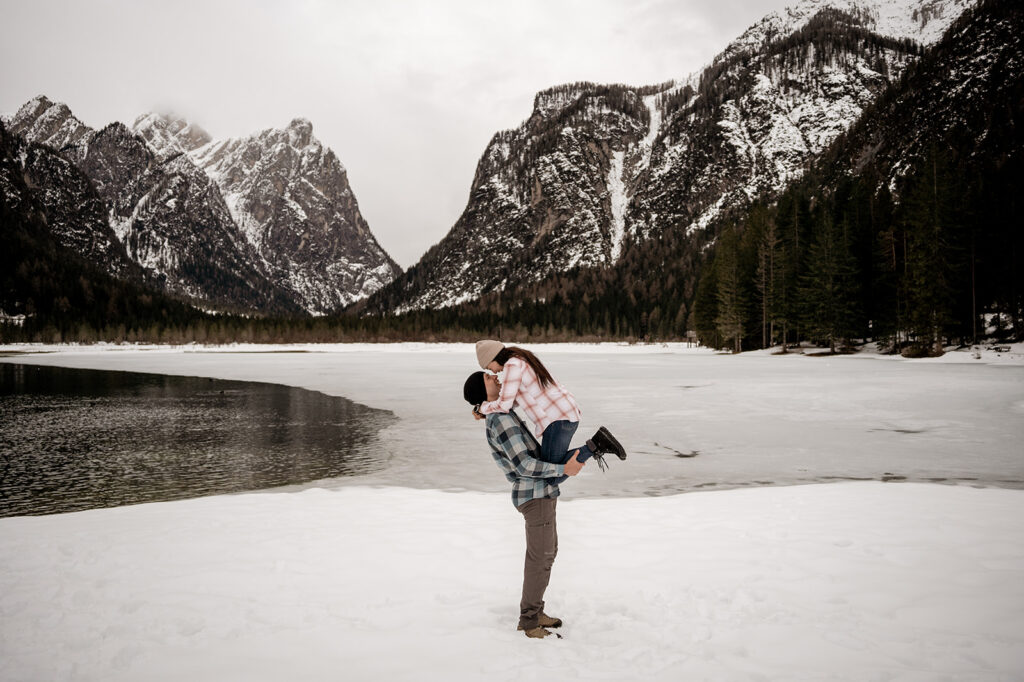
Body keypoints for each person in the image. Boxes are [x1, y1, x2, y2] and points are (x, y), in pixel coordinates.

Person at [464, 369, 585, 639]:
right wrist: (562, 469)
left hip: (541, 492)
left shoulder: (500, 411)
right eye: (487, 377)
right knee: (539, 558)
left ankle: (536, 611)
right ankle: (529, 621)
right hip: (534, 494)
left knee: (547, 554)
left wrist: (481, 408)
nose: (494, 376)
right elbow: (523, 464)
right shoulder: (500, 420)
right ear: (482, 392)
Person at [472, 340, 627, 470]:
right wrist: (485, 411)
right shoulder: (521, 359)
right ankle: (596, 444)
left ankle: (597, 444)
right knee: (555, 468)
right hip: (565, 414)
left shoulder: (511, 366)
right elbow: (514, 401)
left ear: (493, 357)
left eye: (488, 367)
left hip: (556, 419)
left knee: (551, 474)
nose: (493, 371)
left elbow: (504, 405)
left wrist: (483, 407)